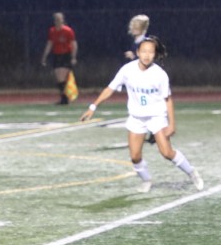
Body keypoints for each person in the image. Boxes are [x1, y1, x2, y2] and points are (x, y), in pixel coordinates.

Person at [78, 36, 203, 193]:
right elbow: (110, 89)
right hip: (136, 118)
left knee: (166, 152)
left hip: (157, 116)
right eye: (143, 51)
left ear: (155, 55)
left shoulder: (160, 74)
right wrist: (93, 107)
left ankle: (191, 172)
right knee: (135, 156)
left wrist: (172, 124)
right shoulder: (127, 70)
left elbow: (168, 99)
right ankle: (147, 180)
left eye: (151, 52)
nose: (147, 55)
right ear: (137, 52)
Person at [40, 12, 78, 105]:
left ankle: (66, 98)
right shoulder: (52, 31)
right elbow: (50, 43)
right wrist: (45, 56)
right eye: (56, 19)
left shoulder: (68, 31)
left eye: (59, 19)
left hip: (66, 55)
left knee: (63, 77)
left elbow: (74, 44)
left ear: (62, 20)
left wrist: (73, 57)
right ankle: (64, 98)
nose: (58, 21)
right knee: (59, 78)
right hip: (57, 55)